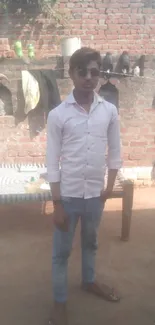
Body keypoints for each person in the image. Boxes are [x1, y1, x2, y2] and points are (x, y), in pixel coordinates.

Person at [46, 47, 122, 325]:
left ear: (99, 75)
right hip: (67, 196)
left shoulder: (109, 111)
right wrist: (56, 204)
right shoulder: (58, 115)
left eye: (95, 72)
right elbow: (52, 161)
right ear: (72, 74)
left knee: (91, 243)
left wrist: (107, 190)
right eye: (83, 71)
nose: (89, 77)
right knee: (61, 253)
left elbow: (115, 152)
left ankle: (89, 281)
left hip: (95, 196)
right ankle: (59, 302)